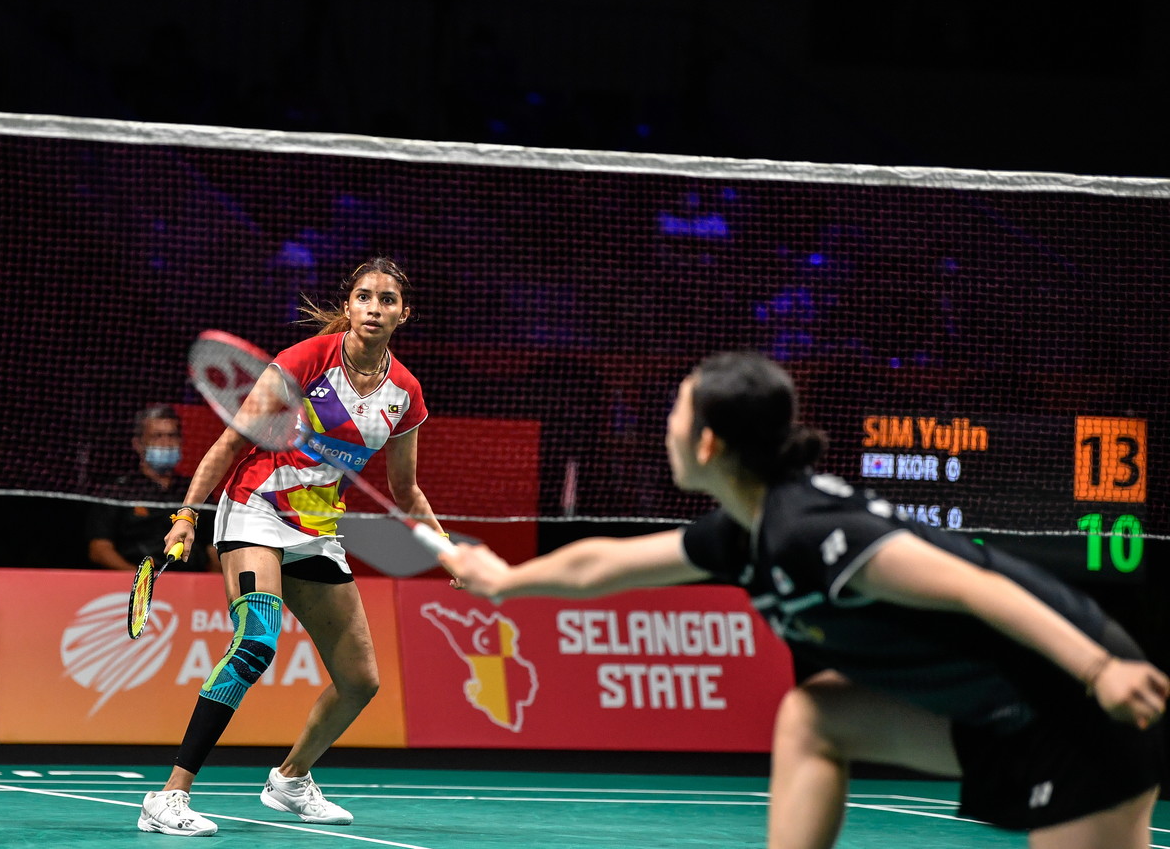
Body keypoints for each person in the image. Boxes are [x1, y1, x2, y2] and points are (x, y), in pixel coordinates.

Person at [441, 350, 1168, 849]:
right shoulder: (746, 528)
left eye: (676, 412)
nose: (663, 423)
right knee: (816, 713)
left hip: (1081, 706)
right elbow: (607, 563)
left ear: (708, 444)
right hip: (1000, 713)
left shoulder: (810, 530)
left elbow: (978, 585)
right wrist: (505, 579)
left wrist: (1099, 668)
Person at [137, 257, 447, 837]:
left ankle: (290, 779)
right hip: (255, 508)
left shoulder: (404, 392)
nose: (373, 308)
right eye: (363, 297)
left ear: (404, 313)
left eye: (386, 300)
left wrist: (445, 547)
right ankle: (168, 796)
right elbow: (232, 442)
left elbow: (404, 489)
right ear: (348, 305)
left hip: (317, 529)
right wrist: (185, 516)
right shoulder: (305, 360)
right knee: (256, 639)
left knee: (360, 680)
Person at [86, 405, 219, 573]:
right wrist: (142, 582)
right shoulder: (117, 491)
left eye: (172, 436)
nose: (166, 443)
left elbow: (213, 548)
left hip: (190, 582)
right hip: (132, 583)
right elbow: (99, 549)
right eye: (157, 436)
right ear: (138, 444)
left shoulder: (196, 491)